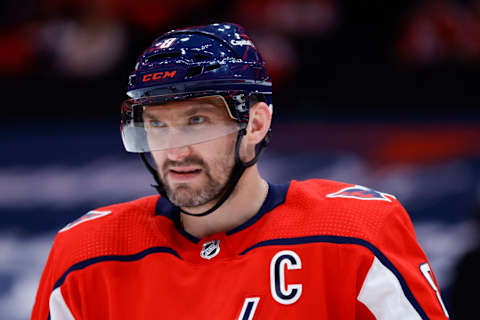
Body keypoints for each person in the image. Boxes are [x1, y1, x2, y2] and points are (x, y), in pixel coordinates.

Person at [31, 23, 450, 319]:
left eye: (197, 120)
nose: (175, 149)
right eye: (157, 124)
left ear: (256, 124)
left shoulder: (356, 233)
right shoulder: (85, 254)